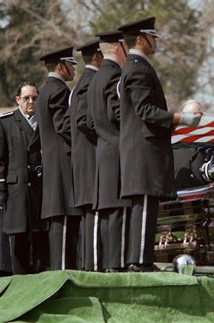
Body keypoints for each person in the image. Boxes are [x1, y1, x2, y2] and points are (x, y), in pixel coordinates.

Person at [117, 17, 202, 271]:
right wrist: (179, 118)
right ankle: (140, 261)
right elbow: (145, 110)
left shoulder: (133, 67)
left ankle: (138, 259)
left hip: (139, 149)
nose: (156, 42)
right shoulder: (138, 68)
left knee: (143, 207)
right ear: (141, 39)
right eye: (153, 37)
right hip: (144, 149)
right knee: (144, 205)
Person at [0, 82, 49, 274]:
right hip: (17, 190)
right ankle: (20, 283)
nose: (31, 102)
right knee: (19, 238)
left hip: (41, 190)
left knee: (40, 238)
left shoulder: (45, 120)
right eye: (26, 98)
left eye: (34, 98)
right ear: (18, 100)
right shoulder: (5, 121)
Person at [87, 31, 132, 272]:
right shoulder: (115, 76)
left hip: (103, 149)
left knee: (107, 212)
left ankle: (107, 264)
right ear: (117, 48)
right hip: (117, 151)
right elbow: (120, 114)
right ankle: (117, 265)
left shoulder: (96, 78)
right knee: (118, 212)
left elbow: (91, 120)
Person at [36, 47, 81, 270]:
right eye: (71, 65)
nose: (74, 69)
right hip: (62, 170)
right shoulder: (59, 91)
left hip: (54, 169)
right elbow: (64, 126)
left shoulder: (46, 90)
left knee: (60, 230)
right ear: (61, 66)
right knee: (64, 230)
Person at [67, 39, 101, 271]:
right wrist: (106, 135)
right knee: (93, 215)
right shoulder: (90, 81)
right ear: (97, 57)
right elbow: (83, 120)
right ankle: (93, 267)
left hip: (85, 159)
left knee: (91, 217)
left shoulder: (83, 81)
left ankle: (91, 265)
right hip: (90, 158)